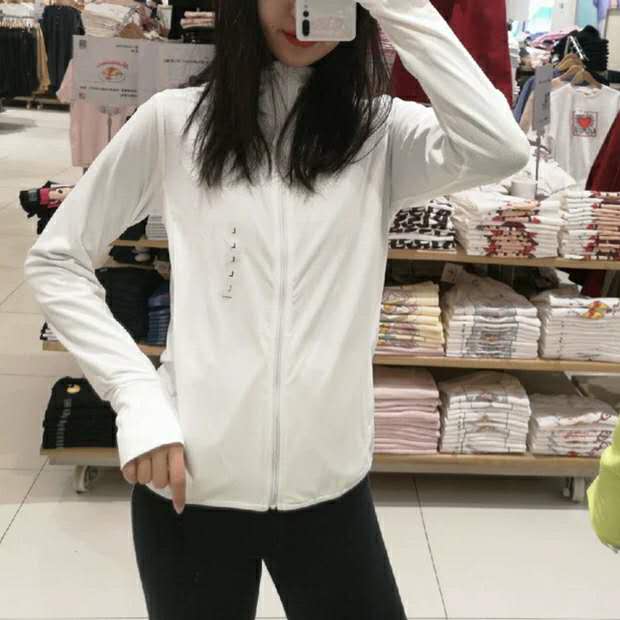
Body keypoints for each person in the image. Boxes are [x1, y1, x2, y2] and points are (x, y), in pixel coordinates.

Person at [24, 0, 530, 618]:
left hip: (329, 488)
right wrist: (136, 396)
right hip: (189, 483)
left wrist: (399, 8)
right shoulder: (175, 122)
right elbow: (57, 260)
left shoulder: (381, 133)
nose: (299, 9)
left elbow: (500, 148)